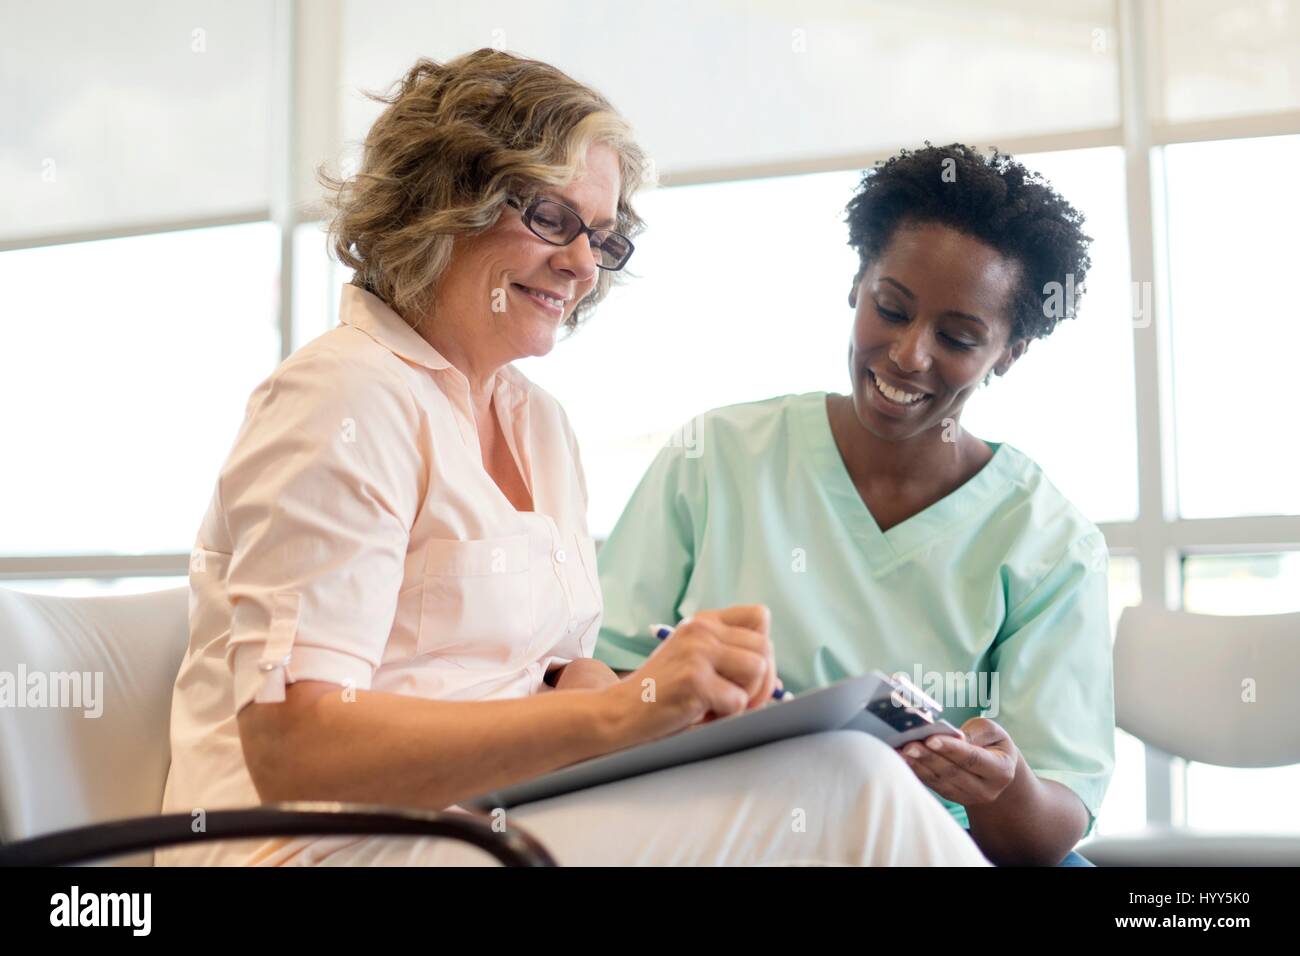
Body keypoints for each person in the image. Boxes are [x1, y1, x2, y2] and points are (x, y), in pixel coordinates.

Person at [157, 53, 990, 867]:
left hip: (490, 815)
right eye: (551, 219)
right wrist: (624, 712)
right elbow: (297, 748)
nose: (584, 264)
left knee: (824, 772)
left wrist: (668, 708)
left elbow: (553, 676)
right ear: (441, 200)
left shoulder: (538, 423)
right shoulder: (342, 397)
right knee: (850, 786)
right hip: (320, 846)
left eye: (602, 237)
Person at [594, 144, 1115, 867]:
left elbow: (1044, 835)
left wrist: (1001, 787)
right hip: (725, 829)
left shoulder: (1047, 542)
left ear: (1011, 351)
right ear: (856, 285)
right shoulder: (716, 458)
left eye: (959, 337)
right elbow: (599, 684)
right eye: (891, 308)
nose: (908, 355)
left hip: (932, 845)